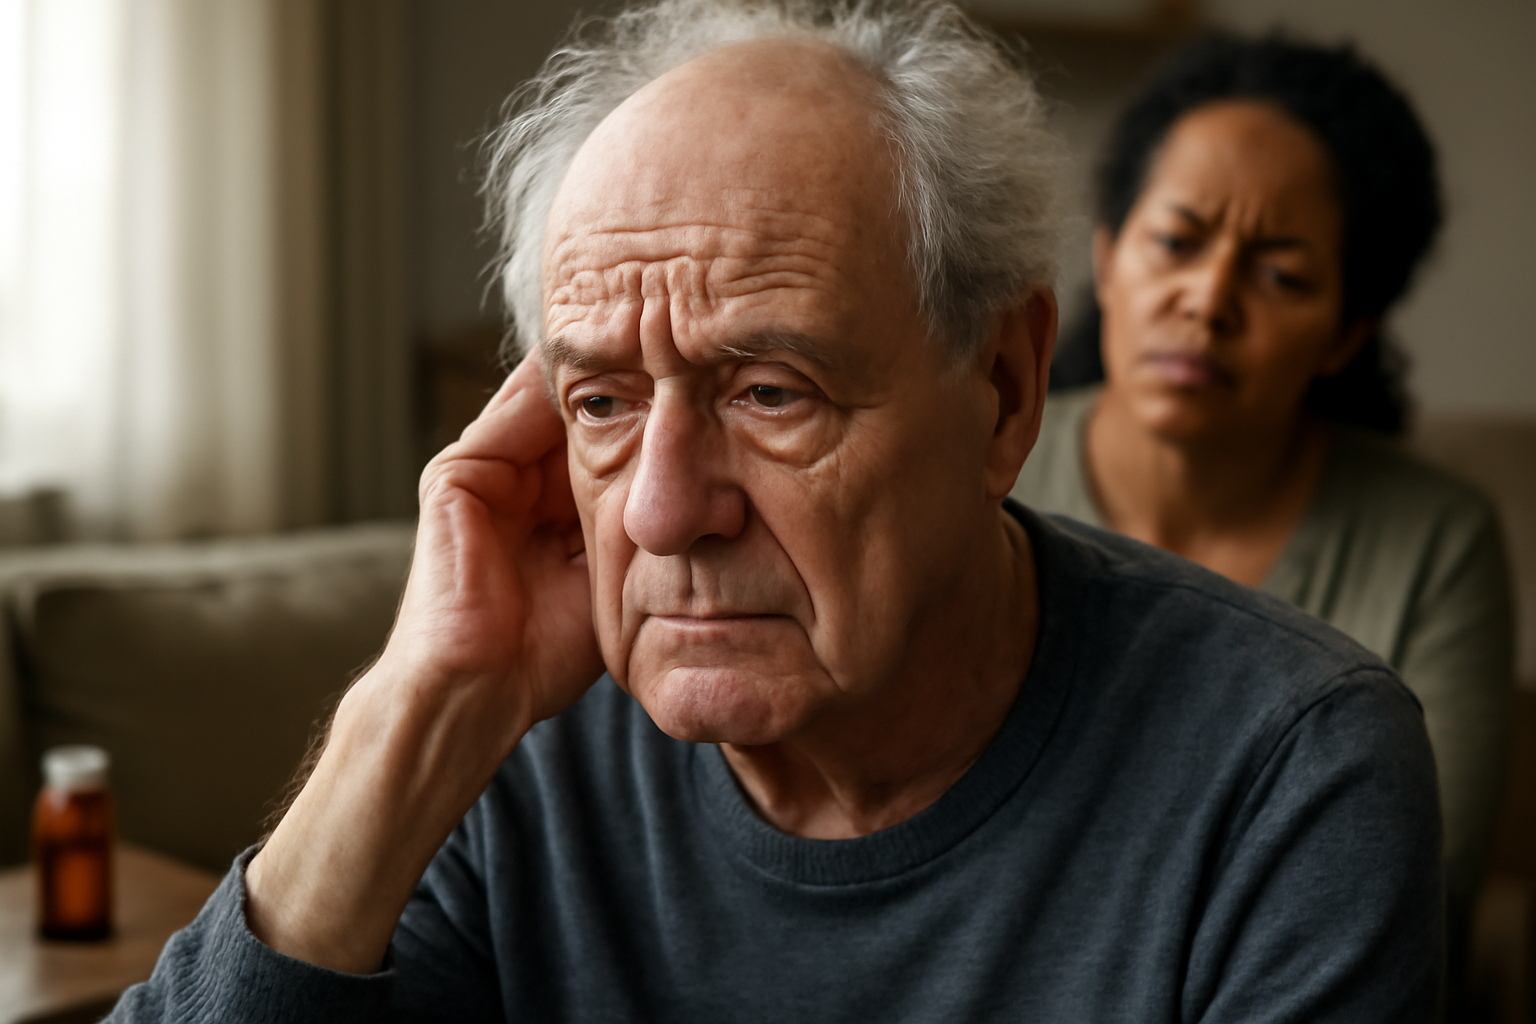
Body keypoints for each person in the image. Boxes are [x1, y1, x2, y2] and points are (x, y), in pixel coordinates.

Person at [111, 3, 1441, 1020]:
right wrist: (410, 715)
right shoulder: (510, 745)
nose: (665, 510)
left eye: (769, 390)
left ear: (1002, 388)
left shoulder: (1290, 772)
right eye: (604, 404)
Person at [1015, 32, 1515, 992]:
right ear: (1109, 258)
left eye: (1281, 275)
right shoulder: (977, 462)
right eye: (1177, 242)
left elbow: (1417, 903)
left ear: (1345, 335)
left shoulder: (1437, 542)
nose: (1208, 301)